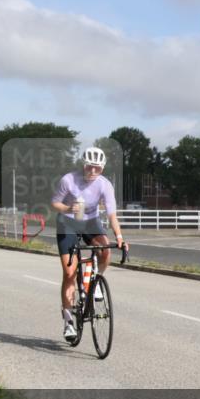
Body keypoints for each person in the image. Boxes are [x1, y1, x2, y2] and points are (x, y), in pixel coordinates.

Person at [50, 147, 127, 342]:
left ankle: (96, 281)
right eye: (89, 167)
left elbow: (111, 215)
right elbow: (55, 203)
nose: (92, 172)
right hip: (67, 222)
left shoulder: (104, 185)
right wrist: (69, 207)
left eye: (97, 169)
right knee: (69, 273)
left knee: (105, 250)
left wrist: (119, 237)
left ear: (102, 169)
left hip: (91, 223)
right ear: (83, 165)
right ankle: (68, 322)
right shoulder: (68, 180)